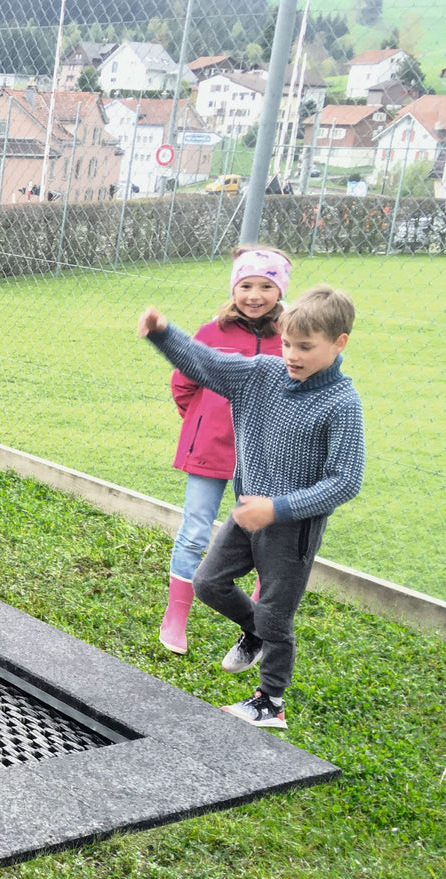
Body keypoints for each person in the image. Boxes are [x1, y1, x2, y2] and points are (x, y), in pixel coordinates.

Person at [138, 285, 364, 729]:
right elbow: (206, 362)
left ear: (340, 343)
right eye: (286, 343)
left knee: (278, 616)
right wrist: (164, 334)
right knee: (208, 583)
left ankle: (270, 702)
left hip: (291, 528)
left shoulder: (341, 404)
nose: (292, 355)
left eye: (305, 347)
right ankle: (253, 630)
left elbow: (345, 481)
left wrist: (277, 508)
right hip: (246, 515)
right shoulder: (261, 374)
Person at [159, 246, 289, 655]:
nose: (254, 295)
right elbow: (184, 385)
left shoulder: (289, 335)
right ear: (234, 288)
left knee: (262, 537)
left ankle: (257, 624)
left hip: (263, 458)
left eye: (266, 286)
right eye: (246, 285)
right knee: (195, 529)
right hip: (209, 450)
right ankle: (175, 617)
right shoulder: (210, 332)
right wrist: (203, 420)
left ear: (280, 291)